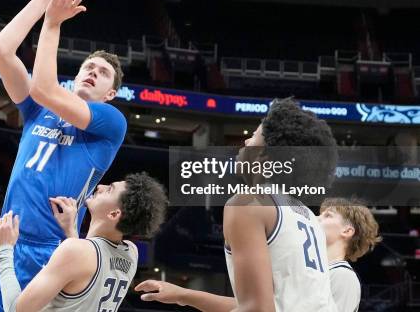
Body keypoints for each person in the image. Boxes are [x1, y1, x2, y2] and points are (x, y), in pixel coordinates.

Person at [0, 0, 127, 311]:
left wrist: (53, 20)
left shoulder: (111, 123)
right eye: (88, 67)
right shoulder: (39, 110)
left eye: (102, 72)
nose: (93, 71)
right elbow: (1, 51)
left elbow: (44, 87)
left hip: (52, 248)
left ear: (110, 94)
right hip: (6, 239)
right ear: (75, 77)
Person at [136, 98, 339, 311]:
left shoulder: (247, 204)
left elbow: (256, 309)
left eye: (253, 136)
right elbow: (266, 304)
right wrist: (183, 295)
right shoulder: (306, 215)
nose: (245, 142)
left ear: (265, 156)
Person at [0, 172, 168, 312]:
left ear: (114, 214)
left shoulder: (77, 251)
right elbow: (85, 277)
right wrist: (71, 230)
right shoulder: (131, 253)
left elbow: (15, 310)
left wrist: (4, 249)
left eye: (110, 189)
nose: (101, 186)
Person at [318, 198, 382, 312]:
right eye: (320, 214)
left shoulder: (343, 276)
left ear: (347, 231)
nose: (316, 218)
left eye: (327, 215)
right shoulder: (314, 270)